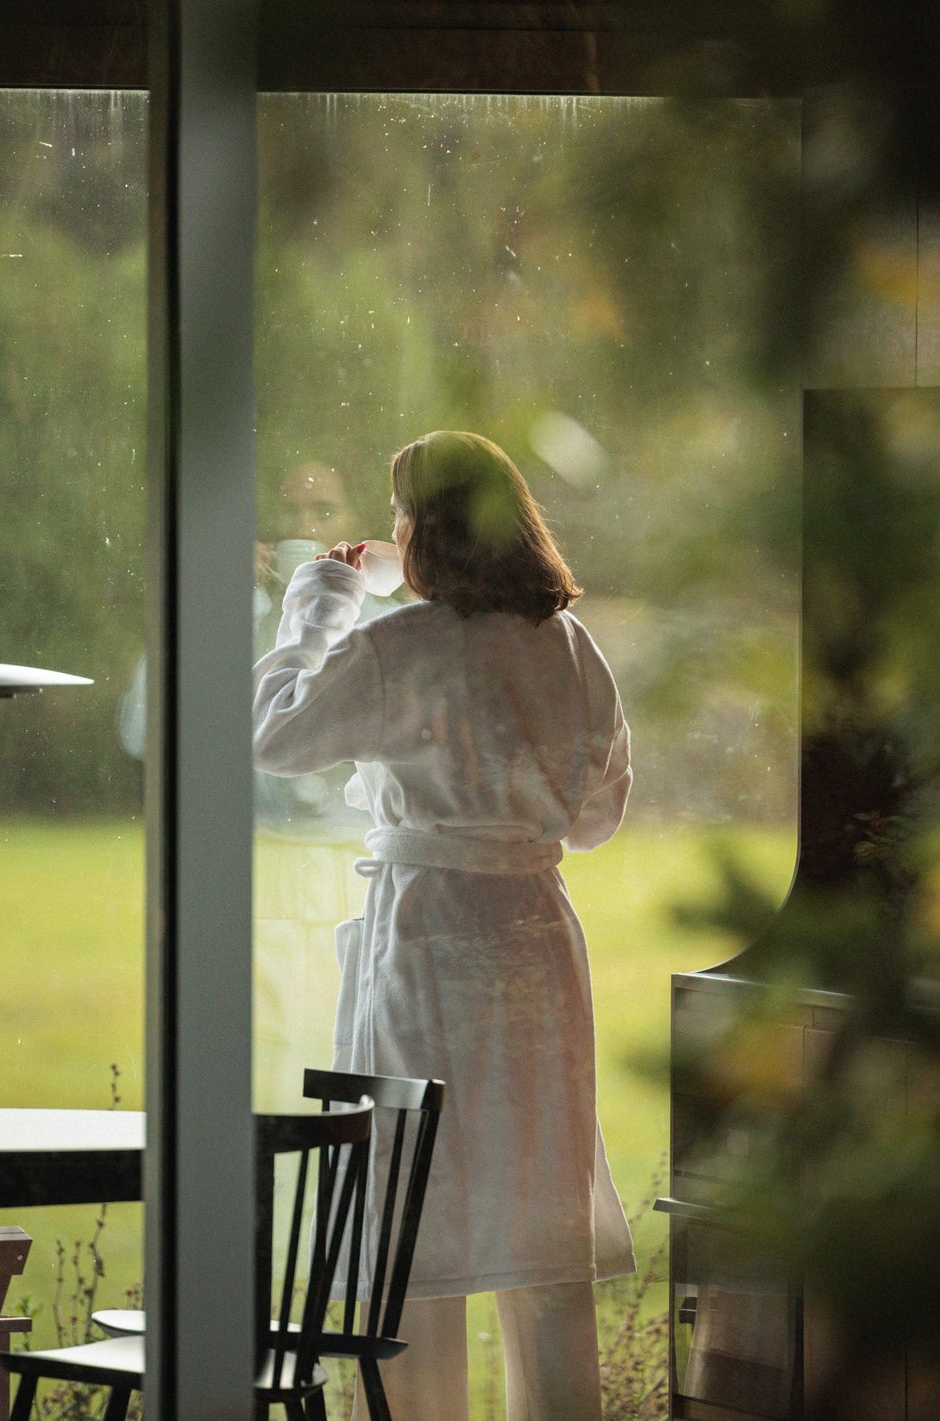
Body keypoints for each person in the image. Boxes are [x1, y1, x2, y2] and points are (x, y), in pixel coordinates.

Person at [253, 431, 635, 1421]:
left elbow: (275, 733)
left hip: (425, 936)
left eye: (401, 512)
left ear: (425, 526)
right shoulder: (569, 645)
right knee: (540, 1217)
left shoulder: (402, 647)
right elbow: (595, 819)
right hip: (537, 938)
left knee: (411, 1216)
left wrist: (321, 598)